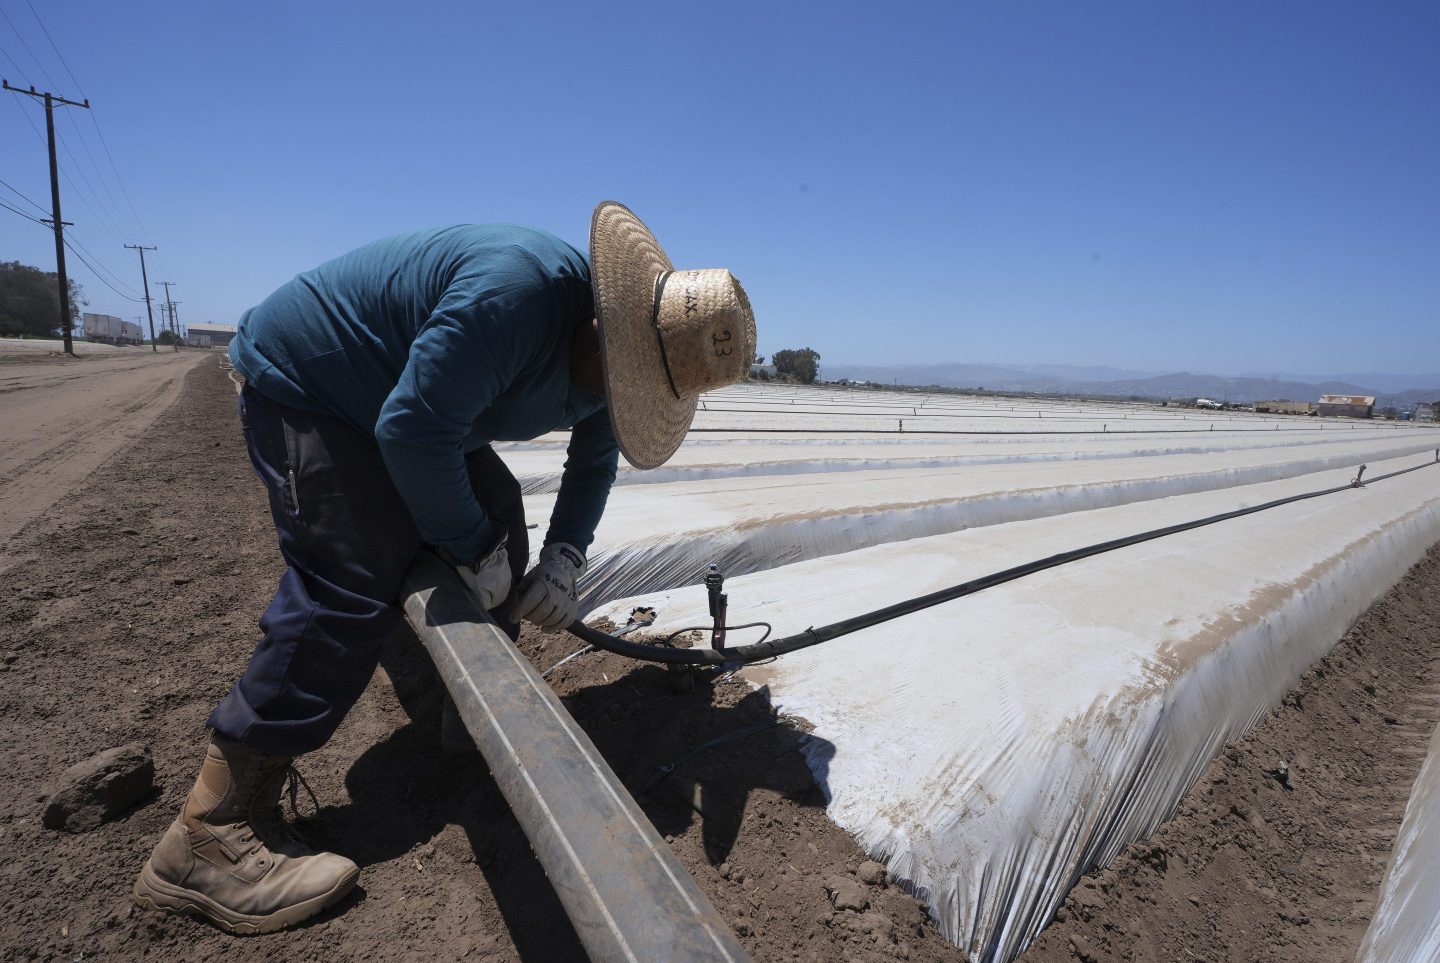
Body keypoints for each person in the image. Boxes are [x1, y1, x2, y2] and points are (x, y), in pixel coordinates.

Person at [131, 201, 756, 933]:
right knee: (349, 574)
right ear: (602, 326)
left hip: (395, 400)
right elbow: (412, 430)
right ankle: (209, 833)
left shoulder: (615, 356)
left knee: (494, 507)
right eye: (616, 381)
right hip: (313, 384)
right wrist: (467, 549)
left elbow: (593, 457)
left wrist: (563, 556)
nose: (612, 401)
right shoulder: (513, 299)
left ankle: (461, 709)